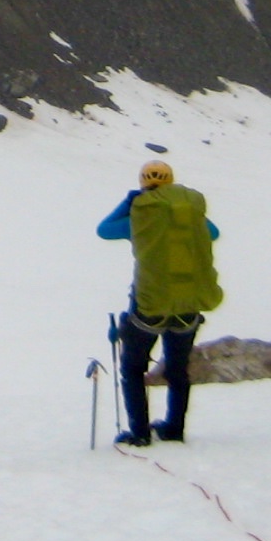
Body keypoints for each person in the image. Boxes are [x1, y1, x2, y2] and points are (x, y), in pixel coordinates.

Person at [97, 159, 222, 446]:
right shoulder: (188, 216)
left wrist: (130, 203)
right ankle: (174, 429)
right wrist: (189, 213)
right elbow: (212, 233)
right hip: (188, 305)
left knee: (132, 369)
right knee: (177, 369)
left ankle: (140, 433)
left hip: (148, 306)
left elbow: (104, 230)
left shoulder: (140, 218)